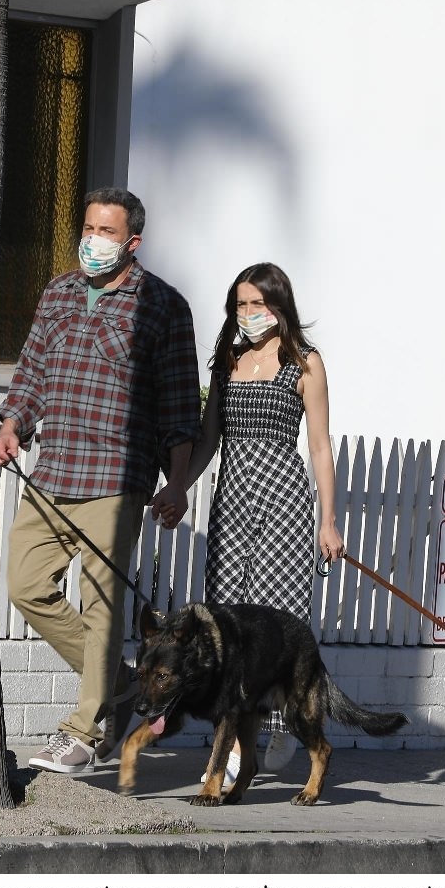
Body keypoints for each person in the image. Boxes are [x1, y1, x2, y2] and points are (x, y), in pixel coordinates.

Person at [0, 187, 202, 774]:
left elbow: (179, 403)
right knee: (25, 586)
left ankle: (83, 731)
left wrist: (177, 483)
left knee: (104, 606)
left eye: (106, 233)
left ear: (132, 242)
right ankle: (123, 684)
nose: (93, 241)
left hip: (117, 476)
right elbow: (33, 366)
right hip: (53, 468)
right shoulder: (59, 292)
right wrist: (13, 423)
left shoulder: (163, 305)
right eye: (88, 228)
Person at [153, 262, 344, 782]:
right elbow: (209, 437)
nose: (248, 314)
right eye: (240, 305)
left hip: (281, 496)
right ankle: (238, 745)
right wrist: (177, 488)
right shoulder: (227, 361)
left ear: (279, 306)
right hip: (234, 498)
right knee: (229, 622)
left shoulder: (305, 363)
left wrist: (329, 521)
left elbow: (321, 447)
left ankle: (277, 725)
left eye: (257, 304)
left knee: (276, 618)